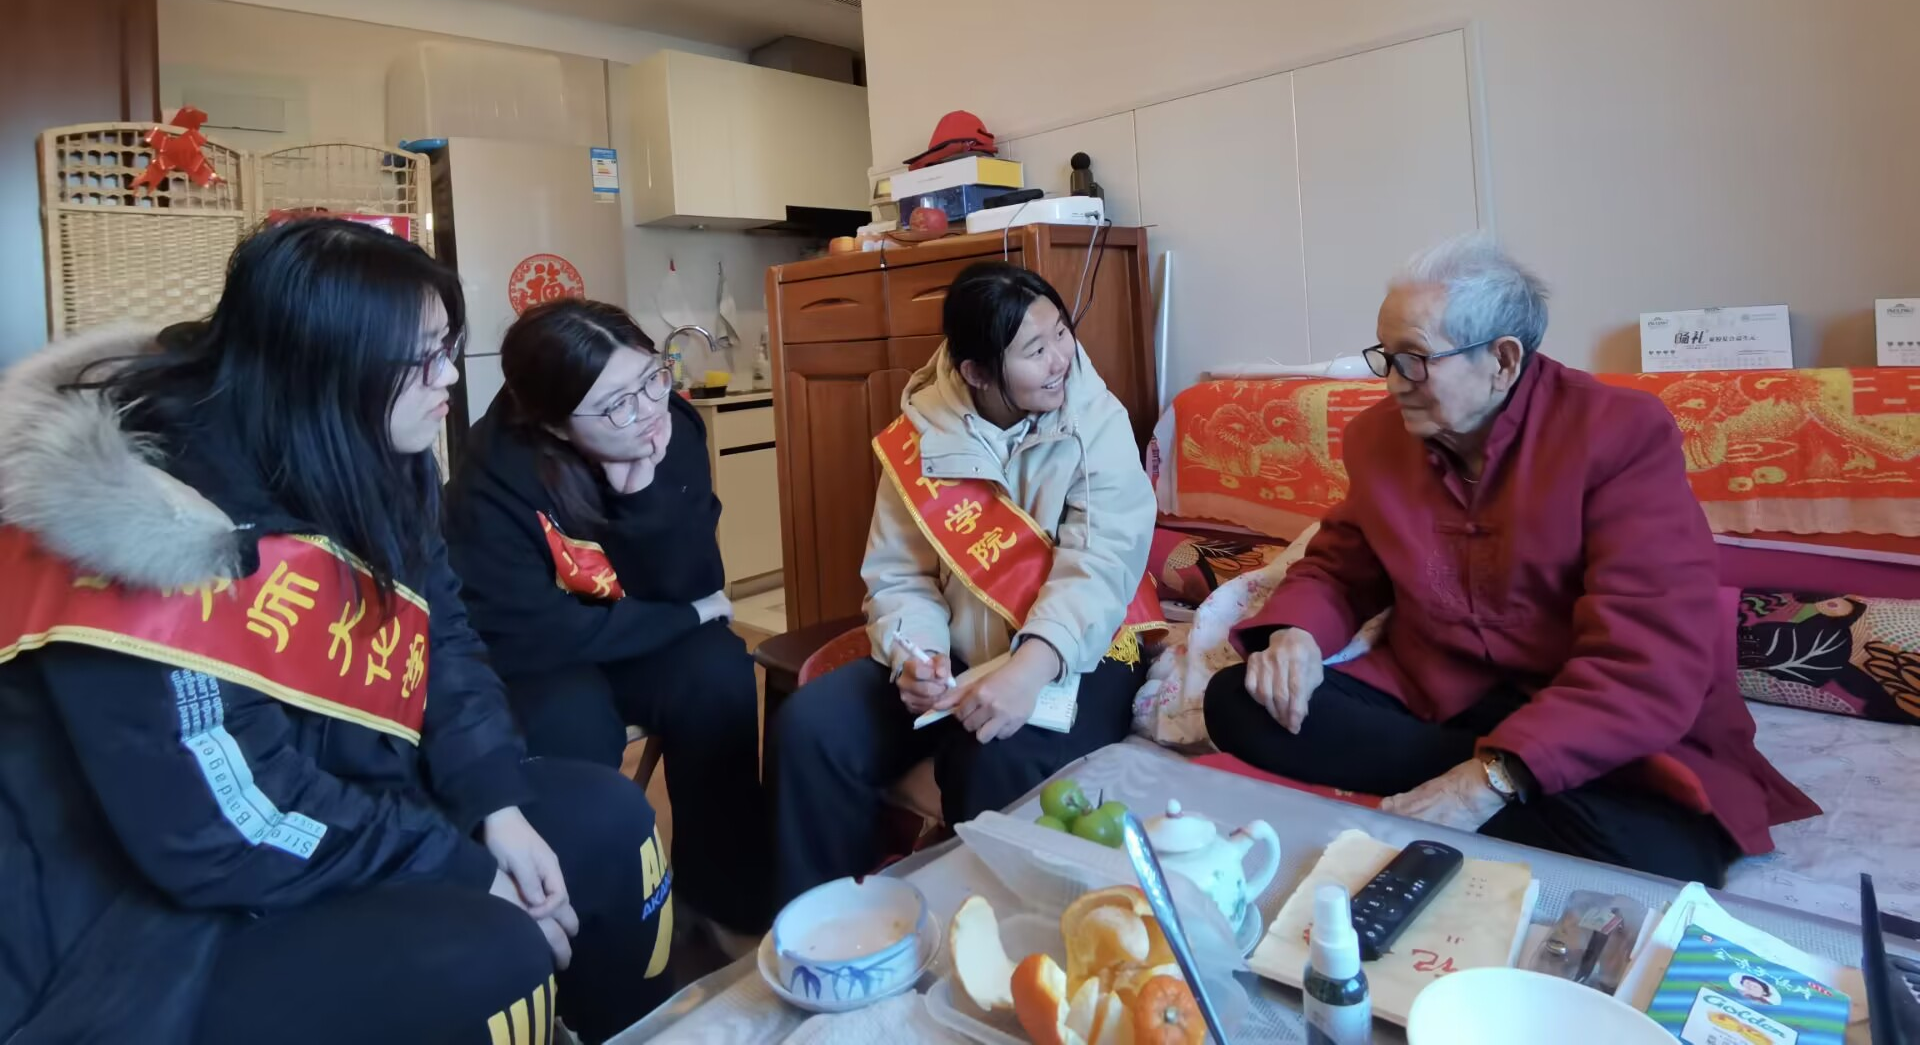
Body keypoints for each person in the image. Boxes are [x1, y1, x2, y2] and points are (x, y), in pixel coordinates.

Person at [0, 220, 673, 1044]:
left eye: (449, 348)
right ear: (327, 371)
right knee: (496, 953)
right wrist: (462, 868)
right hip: (161, 916)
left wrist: (493, 801)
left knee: (608, 825)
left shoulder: (373, 440)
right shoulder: (139, 529)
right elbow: (224, 825)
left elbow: (441, 637)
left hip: (365, 800)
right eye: (424, 358)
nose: (450, 377)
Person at [1203, 234, 1817, 885]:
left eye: (1414, 360)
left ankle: (1509, 773)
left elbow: (1649, 658)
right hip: (1444, 698)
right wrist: (1296, 634)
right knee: (1240, 705)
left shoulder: (1620, 433)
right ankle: (1509, 779)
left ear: (1501, 359)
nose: (1392, 382)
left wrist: (1489, 779)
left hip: (1587, 708)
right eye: (1385, 357)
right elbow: (1341, 564)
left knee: (1661, 855)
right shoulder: (1378, 437)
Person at [769, 262, 1161, 906]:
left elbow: (1102, 562)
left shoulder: (1096, 419)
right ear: (976, 372)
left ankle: (974, 932)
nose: (1061, 359)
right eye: (1035, 350)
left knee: (992, 757)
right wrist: (915, 656)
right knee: (810, 727)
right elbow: (899, 573)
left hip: (1078, 650)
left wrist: (1029, 669)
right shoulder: (922, 434)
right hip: (957, 650)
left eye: (1061, 333)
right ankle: (836, 926)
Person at [443, 298, 769, 944]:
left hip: (635, 631)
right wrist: (684, 616)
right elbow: (535, 632)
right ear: (554, 424)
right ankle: (600, 921)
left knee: (719, 675)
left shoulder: (669, 428)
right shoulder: (493, 479)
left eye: (652, 378)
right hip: (544, 656)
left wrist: (645, 497)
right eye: (618, 404)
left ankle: (722, 897)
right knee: (571, 720)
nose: (647, 409)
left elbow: (695, 583)